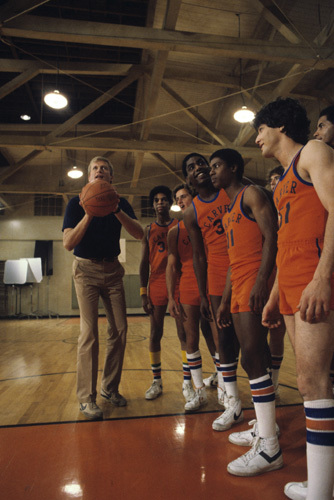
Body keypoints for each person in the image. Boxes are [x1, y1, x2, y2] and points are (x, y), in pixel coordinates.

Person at [255, 97, 334, 500]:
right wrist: (273, 295)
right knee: (307, 382)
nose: (257, 139)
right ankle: (320, 482)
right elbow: (285, 240)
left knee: (315, 382)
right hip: (289, 284)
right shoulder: (283, 175)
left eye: (260, 129)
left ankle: (321, 489)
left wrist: (322, 278)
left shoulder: (313, 152)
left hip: (313, 279)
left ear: (279, 125)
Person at [209, 148, 281, 476]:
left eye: (217, 166)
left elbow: (272, 238)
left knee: (253, 355)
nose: (212, 172)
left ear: (233, 167)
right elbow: (229, 262)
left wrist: (263, 280)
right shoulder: (227, 213)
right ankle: (264, 428)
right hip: (237, 282)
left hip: (254, 277)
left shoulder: (252, 194)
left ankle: (268, 444)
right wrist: (224, 301)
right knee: (249, 359)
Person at [62, 156, 144, 420]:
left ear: (110, 178)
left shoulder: (121, 204)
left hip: (113, 272)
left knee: (120, 329)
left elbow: (140, 234)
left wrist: (116, 209)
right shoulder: (76, 203)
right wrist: (89, 211)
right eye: (95, 168)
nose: (99, 171)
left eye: (104, 169)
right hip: (85, 270)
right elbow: (68, 243)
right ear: (89, 177)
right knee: (89, 333)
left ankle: (109, 388)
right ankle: (86, 398)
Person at [182, 153, 242, 430]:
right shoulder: (191, 210)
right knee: (223, 340)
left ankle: (266, 390)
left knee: (252, 338)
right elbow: (198, 255)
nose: (198, 168)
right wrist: (204, 293)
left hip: (244, 265)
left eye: (201, 163)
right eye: (191, 168)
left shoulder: (230, 190)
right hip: (217, 275)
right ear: (189, 179)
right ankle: (230, 400)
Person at [140, 185, 194, 402]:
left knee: (184, 333)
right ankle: (156, 381)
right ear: (153, 205)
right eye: (157, 200)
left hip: (177, 282)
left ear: (169, 203)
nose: (160, 202)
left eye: (164, 199)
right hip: (155, 283)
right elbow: (144, 263)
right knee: (155, 333)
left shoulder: (179, 225)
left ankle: (187, 382)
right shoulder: (148, 229)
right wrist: (143, 292)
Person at [166, 184, 217, 411]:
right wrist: (170, 297)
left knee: (218, 339)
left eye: (183, 196)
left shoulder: (208, 220)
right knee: (190, 339)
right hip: (187, 286)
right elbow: (171, 266)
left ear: (193, 197)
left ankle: (225, 388)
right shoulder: (174, 231)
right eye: (177, 199)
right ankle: (198, 391)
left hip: (211, 282)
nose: (180, 201)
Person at [267, 165, 286, 397]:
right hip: (269, 274)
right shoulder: (266, 208)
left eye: (277, 178)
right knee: (266, 332)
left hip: (289, 271)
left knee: (279, 332)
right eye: (270, 180)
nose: (273, 183)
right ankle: (270, 380)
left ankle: (276, 380)